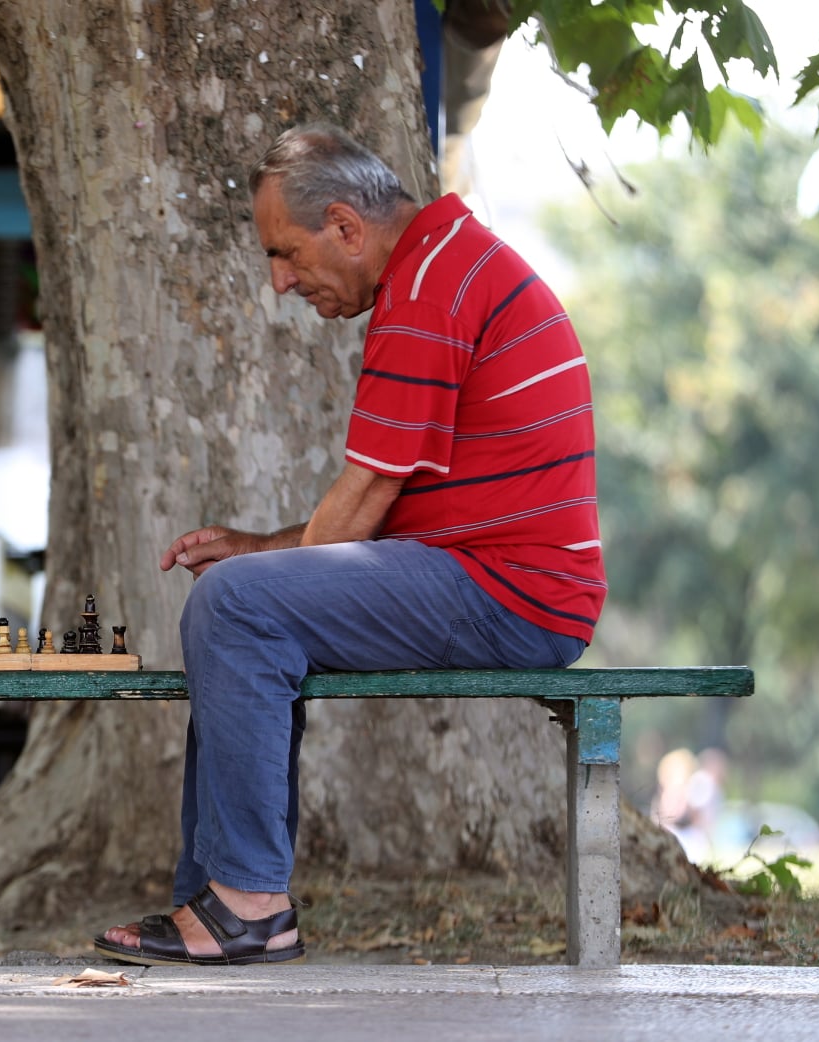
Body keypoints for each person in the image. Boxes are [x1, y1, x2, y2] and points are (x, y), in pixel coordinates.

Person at [94, 123, 607, 966]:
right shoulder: (443, 261)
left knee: (236, 603)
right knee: (238, 600)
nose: (280, 281)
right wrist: (264, 547)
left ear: (344, 226)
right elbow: (387, 505)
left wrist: (260, 572)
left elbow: (366, 495)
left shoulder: (429, 289)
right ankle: (217, 894)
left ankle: (248, 904)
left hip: (511, 594)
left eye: (286, 254)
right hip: (487, 575)